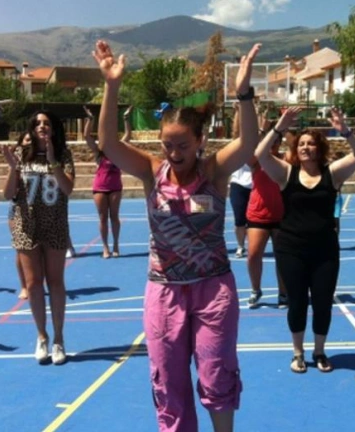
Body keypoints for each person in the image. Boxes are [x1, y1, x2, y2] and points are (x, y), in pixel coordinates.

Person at [93, 39, 261, 432]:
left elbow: (249, 143)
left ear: (200, 141)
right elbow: (109, 144)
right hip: (165, 291)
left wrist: (244, 94)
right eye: (167, 144)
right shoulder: (151, 171)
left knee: (217, 374)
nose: (174, 152)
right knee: (168, 383)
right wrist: (111, 86)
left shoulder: (214, 171)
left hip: (213, 290)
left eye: (183, 145)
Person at [255, 105, 355, 373]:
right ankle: (298, 353)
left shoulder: (333, 174)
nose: (306, 147)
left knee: (322, 302)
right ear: (296, 149)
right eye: (302, 144)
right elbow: (260, 154)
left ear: (320, 148)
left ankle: (319, 351)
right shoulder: (286, 173)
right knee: (297, 302)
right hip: (291, 249)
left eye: (311, 143)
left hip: (325, 251)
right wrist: (279, 127)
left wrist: (345, 131)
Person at [3, 110, 75, 365]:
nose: (42, 126)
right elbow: (8, 194)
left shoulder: (64, 155)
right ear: (32, 129)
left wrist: (53, 160)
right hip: (27, 224)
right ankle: (41, 336)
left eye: (47, 123)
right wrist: (13, 169)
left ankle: (59, 339)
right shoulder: (22, 154)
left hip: (54, 224)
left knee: (56, 282)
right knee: (33, 284)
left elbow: (68, 188)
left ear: (53, 129)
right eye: (38, 123)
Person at [246, 111, 288, 309]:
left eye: (276, 142)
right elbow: (251, 153)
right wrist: (263, 131)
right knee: (253, 254)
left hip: (282, 215)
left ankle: (283, 293)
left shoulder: (286, 160)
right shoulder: (256, 162)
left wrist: (285, 124)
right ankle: (256, 289)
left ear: (279, 144)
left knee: (282, 256)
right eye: (269, 143)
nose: (272, 146)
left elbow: (295, 146)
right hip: (258, 214)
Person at [83, 105, 123, 258]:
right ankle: (105, 247)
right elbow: (86, 136)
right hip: (100, 187)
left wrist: (125, 119)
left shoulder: (118, 149)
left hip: (115, 187)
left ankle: (116, 245)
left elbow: (128, 135)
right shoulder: (98, 152)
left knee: (114, 216)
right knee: (102, 217)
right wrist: (90, 119)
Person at [5, 131, 35, 300]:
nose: (30, 142)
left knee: (39, 250)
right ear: (21, 142)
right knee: (21, 249)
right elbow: (10, 191)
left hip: (40, 211)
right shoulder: (16, 161)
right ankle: (24, 286)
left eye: (33, 140)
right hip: (18, 209)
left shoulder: (44, 160)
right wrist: (13, 167)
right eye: (27, 140)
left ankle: (35, 282)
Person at [228, 102, 253, 258]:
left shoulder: (258, 142)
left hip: (255, 185)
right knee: (239, 219)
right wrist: (238, 111)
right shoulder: (239, 144)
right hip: (238, 184)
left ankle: (252, 245)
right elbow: (236, 131)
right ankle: (240, 245)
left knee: (253, 220)